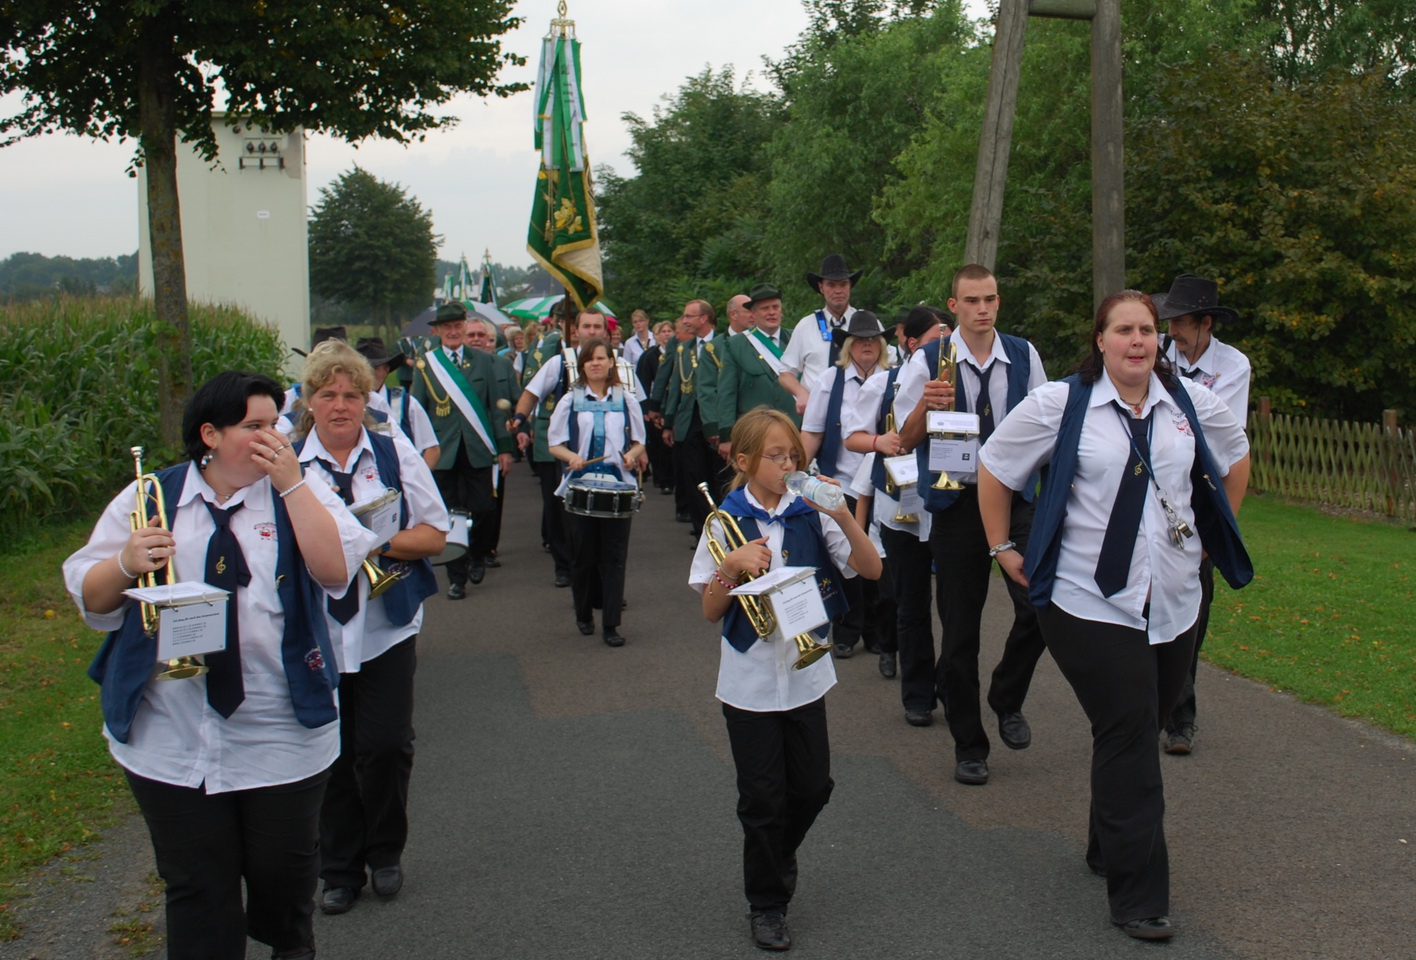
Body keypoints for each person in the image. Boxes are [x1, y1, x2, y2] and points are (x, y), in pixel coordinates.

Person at [63, 371, 377, 960]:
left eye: (278, 423)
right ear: (210, 434)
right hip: (171, 734)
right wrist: (127, 562)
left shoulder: (301, 489)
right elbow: (91, 596)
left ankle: (289, 944)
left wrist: (291, 486)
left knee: (284, 883)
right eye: (255, 425)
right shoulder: (151, 495)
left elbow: (336, 573)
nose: (274, 435)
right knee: (198, 888)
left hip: (279, 731)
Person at [977, 289, 1251, 941]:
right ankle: (1138, 896)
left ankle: (1107, 845)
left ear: (1161, 341)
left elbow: (1236, 457)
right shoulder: (1061, 403)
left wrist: (1219, 533)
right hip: (1086, 600)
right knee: (1131, 730)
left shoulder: (1187, 404)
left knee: (1138, 722)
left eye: (1148, 330)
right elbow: (995, 468)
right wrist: (1001, 546)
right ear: (1100, 340)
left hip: (1175, 597)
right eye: (1123, 329)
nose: (1137, 340)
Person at [689, 408, 881, 952]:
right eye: (776, 457)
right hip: (748, 678)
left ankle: (776, 851)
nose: (788, 465)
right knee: (762, 799)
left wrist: (843, 516)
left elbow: (871, 570)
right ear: (744, 461)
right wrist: (732, 566)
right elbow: (709, 610)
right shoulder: (723, 519)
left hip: (807, 674)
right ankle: (767, 904)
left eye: (793, 455)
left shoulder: (811, 514)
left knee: (814, 787)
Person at [284, 341, 449, 916]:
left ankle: (385, 850)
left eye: (352, 394)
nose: (340, 405)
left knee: (383, 745)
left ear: (367, 399)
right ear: (309, 401)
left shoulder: (391, 450)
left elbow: (435, 533)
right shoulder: (286, 463)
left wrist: (364, 537)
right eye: (327, 394)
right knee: (328, 749)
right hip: (316, 629)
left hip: (385, 625)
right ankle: (338, 867)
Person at [895, 264, 1048, 784]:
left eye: (991, 299)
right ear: (953, 305)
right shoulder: (929, 359)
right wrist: (925, 405)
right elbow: (905, 439)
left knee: (1039, 606)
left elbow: (1048, 427)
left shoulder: (1025, 356)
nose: (983, 309)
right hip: (955, 503)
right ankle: (969, 744)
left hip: (1014, 498)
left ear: (998, 302)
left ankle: (1006, 695)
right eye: (972, 300)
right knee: (961, 630)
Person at [1151, 273, 1252, 755]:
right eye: (1167, 323)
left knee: (1195, 598)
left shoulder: (1232, 366)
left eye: (1181, 323)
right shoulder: (1160, 353)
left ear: (1206, 323)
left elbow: (1217, 428)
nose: (1172, 333)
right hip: (1159, 476)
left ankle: (1180, 717)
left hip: (1202, 483)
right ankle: (1149, 705)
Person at [843, 305, 945, 688]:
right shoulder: (884, 384)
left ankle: (949, 686)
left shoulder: (965, 383)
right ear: (913, 344)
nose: (947, 349)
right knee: (905, 599)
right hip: (898, 501)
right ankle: (911, 683)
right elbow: (852, 438)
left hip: (947, 505)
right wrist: (879, 441)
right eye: (938, 340)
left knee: (954, 608)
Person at [802, 310, 894, 660]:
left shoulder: (894, 379)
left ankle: (876, 633)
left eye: (873, 339)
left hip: (882, 484)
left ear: (881, 344)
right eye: (860, 340)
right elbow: (812, 431)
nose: (867, 345)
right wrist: (793, 472)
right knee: (847, 563)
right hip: (840, 483)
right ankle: (847, 629)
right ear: (849, 346)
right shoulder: (830, 380)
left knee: (881, 564)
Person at [410, 301, 515, 599]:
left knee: (484, 508)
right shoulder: (426, 365)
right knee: (451, 514)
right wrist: (419, 454)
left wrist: (504, 449)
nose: (453, 332)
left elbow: (496, 408)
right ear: (438, 331)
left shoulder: (483, 361)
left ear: (466, 326)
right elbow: (417, 411)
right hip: (443, 452)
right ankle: (457, 577)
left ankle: (479, 555)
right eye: (447, 328)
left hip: (478, 448)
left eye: (458, 326)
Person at [547, 338, 648, 646]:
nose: (595, 363)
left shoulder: (626, 399)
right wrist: (571, 457)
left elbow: (640, 441)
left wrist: (632, 455)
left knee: (614, 557)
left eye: (601, 358)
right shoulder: (570, 399)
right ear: (583, 365)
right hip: (580, 487)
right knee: (582, 556)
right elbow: (554, 444)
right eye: (589, 359)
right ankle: (583, 614)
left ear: (610, 363)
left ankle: (611, 624)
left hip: (618, 487)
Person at [657, 299, 722, 538]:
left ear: (703, 318)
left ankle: (723, 529)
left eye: (688, 316)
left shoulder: (724, 344)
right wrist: (668, 422)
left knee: (719, 477)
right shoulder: (684, 349)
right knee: (694, 477)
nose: (684, 322)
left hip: (716, 418)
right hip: (690, 419)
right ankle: (702, 532)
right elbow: (675, 386)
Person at [715, 284, 797, 463]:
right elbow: (727, 393)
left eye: (775, 307)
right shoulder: (735, 345)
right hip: (755, 434)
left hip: (794, 431)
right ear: (753, 314)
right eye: (765, 308)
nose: (771, 312)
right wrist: (727, 436)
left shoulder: (796, 339)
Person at [778, 253, 861, 413]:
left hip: (859, 413)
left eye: (843, 284)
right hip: (817, 413)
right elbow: (785, 373)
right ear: (821, 287)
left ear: (850, 286)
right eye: (831, 285)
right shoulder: (805, 326)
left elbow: (888, 365)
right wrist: (802, 394)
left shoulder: (866, 322)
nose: (838, 291)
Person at [357, 336, 440, 472]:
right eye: (363, 370)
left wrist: (417, 480)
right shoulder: (347, 406)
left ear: (386, 370)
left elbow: (431, 449)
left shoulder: (407, 404)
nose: (368, 375)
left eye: (374, 368)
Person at [637, 320, 676, 495]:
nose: (667, 334)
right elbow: (643, 383)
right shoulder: (649, 356)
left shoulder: (679, 353)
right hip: (655, 403)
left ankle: (673, 477)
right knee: (657, 444)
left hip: (672, 403)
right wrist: (646, 409)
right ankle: (663, 479)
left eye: (670, 331)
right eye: (663, 331)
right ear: (656, 335)